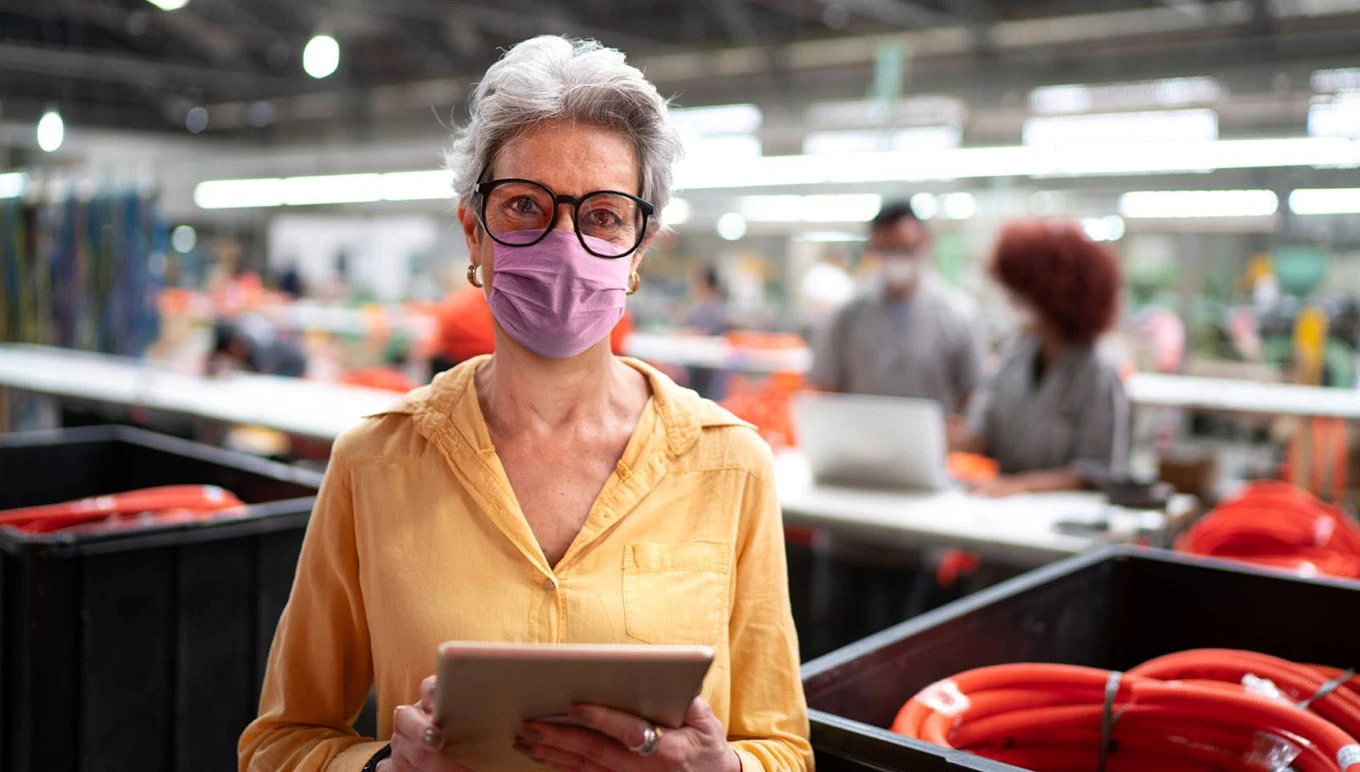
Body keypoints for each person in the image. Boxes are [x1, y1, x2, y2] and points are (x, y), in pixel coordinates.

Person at [239, 36, 811, 772]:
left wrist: (725, 770)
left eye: (604, 215)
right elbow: (279, 742)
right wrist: (381, 769)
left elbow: (786, 748)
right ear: (474, 232)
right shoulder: (377, 462)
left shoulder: (729, 465)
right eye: (524, 206)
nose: (565, 243)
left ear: (640, 248)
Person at [950, 220, 1129, 497]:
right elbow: (981, 433)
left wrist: (1020, 486)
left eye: (1022, 293)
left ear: (1054, 296)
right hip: (1000, 512)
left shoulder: (1098, 372)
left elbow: (1096, 470)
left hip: (1063, 523)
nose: (1013, 302)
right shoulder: (1014, 356)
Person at [808, 199, 982, 414]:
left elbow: (971, 393)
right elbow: (826, 385)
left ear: (925, 244)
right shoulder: (846, 315)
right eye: (888, 249)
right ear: (873, 248)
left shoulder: (959, 314)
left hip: (934, 444)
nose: (897, 257)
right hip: (859, 443)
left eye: (905, 248)